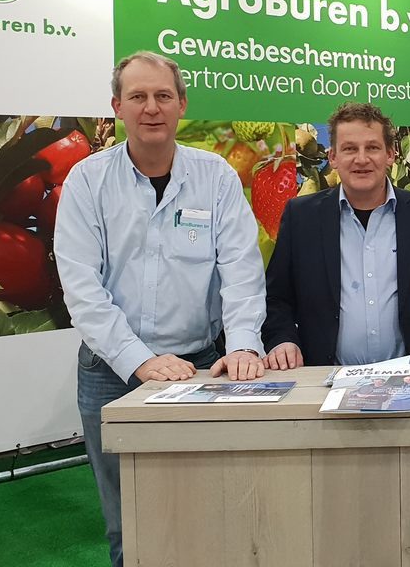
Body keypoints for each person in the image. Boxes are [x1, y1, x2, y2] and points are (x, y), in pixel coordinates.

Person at [56, 51, 267, 567]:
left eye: (163, 96)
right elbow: (82, 287)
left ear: (181, 105)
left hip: (200, 367)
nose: (151, 108)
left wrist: (243, 345)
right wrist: (139, 361)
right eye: (138, 97)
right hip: (110, 372)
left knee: (206, 509)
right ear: (117, 107)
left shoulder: (216, 177)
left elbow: (241, 269)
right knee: (127, 523)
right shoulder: (87, 181)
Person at [261, 102, 410, 370]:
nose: (361, 159)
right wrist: (282, 340)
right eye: (349, 149)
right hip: (326, 379)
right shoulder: (301, 216)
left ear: (390, 154)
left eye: (372, 148)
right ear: (333, 157)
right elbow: (276, 298)